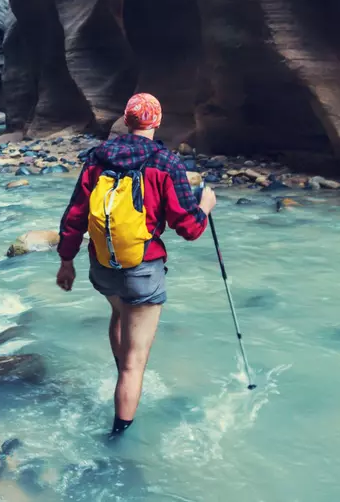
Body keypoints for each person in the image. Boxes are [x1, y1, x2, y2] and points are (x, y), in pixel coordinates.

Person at [56, 92, 217, 437]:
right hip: (143, 270)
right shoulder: (166, 163)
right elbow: (189, 228)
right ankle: (120, 436)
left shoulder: (97, 159)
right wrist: (205, 206)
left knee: (119, 311)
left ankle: (120, 371)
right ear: (156, 122)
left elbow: (75, 216)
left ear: (126, 122)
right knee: (135, 363)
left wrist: (65, 261)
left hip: (102, 266)